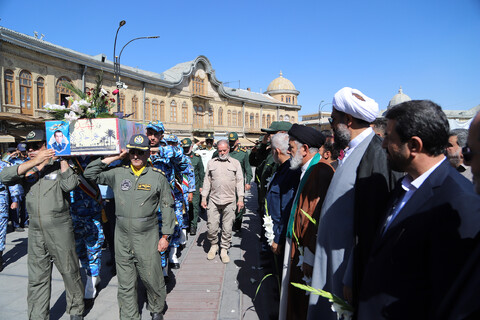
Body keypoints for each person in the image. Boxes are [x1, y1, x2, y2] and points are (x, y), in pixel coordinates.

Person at [357, 100, 480, 319]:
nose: (383, 144)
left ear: (414, 145)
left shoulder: (458, 201)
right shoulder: (405, 186)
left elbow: (446, 294)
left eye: (389, 137)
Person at [308, 87, 399, 319]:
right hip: (330, 261)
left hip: (345, 268)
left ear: (347, 121)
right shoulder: (352, 150)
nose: (330, 125)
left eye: (333, 119)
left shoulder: (375, 154)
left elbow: (374, 223)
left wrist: (351, 276)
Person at [84, 134, 175, 320]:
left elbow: (167, 207)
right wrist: (116, 157)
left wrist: (165, 236)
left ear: (147, 154)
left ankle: (156, 308)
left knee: (151, 276)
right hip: (122, 234)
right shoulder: (118, 174)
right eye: (132, 152)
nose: (136, 156)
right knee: (125, 282)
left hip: (147, 234)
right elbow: (89, 174)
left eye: (140, 152)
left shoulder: (158, 178)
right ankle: (129, 316)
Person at [0, 129, 84, 320]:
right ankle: (38, 315)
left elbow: (70, 185)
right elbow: (4, 176)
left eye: (36, 146)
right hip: (36, 230)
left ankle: (76, 309)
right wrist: (34, 162)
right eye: (28, 147)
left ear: (47, 146)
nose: (31, 149)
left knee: (70, 271)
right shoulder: (27, 168)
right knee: (37, 277)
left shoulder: (59, 166)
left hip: (59, 227)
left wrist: (62, 158)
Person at [279, 124, 334, 320]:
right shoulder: (308, 169)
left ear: (304, 149)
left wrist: (309, 255)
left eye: (292, 147)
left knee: (302, 302)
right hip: (297, 245)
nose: (288, 151)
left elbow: (317, 217)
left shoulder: (319, 171)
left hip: (306, 252)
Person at [201, 140, 244, 264]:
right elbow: (207, 181)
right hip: (214, 200)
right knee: (211, 226)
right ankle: (214, 245)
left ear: (229, 149)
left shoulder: (235, 163)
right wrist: (204, 197)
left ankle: (224, 248)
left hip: (230, 200)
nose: (222, 153)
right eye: (220, 150)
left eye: (224, 150)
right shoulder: (211, 163)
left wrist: (240, 199)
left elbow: (240, 181)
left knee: (227, 227)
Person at [69, 156, 105, 299]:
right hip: (72, 211)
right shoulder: (66, 157)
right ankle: (93, 275)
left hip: (92, 210)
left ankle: (91, 285)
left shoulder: (96, 156)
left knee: (94, 247)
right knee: (80, 250)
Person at [213, 132, 252, 232]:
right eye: (230, 141)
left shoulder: (243, 153)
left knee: (239, 204)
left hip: (238, 183)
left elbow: (248, 169)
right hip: (226, 184)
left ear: (237, 141)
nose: (231, 143)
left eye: (233, 141)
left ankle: (238, 224)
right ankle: (227, 223)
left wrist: (248, 182)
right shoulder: (224, 152)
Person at [181, 138, 205, 235]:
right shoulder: (179, 157)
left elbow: (201, 172)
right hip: (182, 187)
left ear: (191, 146)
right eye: (184, 148)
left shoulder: (196, 157)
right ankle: (185, 225)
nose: (186, 149)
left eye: (188, 147)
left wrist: (201, 186)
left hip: (194, 186)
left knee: (194, 206)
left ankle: (193, 226)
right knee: (183, 207)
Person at [0, 160, 20, 272]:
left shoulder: (4, 165)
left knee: (1, 229)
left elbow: (12, 183)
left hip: (1, 198)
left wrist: (15, 199)